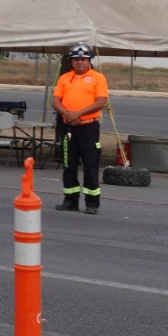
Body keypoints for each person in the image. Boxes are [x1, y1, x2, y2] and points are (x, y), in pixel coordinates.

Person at [52, 42, 109, 215]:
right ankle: (70, 200)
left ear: (89, 60)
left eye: (83, 59)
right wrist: (68, 115)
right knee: (69, 165)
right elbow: (55, 101)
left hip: (88, 128)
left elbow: (101, 102)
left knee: (90, 166)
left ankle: (92, 203)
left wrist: (78, 114)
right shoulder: (64, 78)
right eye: (76, 59)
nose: (79, 62)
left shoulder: (98, 78)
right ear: (71, 61)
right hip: (68, 127)